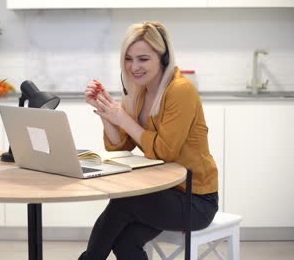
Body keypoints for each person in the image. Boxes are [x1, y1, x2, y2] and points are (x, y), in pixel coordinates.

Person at [80, 21, 219, 260]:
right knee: (125, 243)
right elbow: (121, 146)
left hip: (194, 200)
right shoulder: (138, 90)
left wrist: (122, 118)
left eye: (143, 59)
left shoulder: (179, 90)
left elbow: (165, 151)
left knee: (125, 200)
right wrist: (106, 114)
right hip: (162, 191)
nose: (134, 67)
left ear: (163, 58)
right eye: (128, 58)